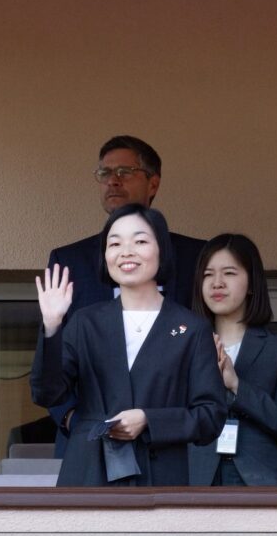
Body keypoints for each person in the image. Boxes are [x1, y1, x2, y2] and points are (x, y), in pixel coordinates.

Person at [31, 204, 226, 487]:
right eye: (115, 243)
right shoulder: (85, 322)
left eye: (140, 241)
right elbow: (47, 393)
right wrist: (51, 326)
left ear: (162, 250)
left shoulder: (191, 328)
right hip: (89, 473)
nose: (126, 251)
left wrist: (150, 420)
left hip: (160, 476)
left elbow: (211, 416)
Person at [46, 135, 205, 452]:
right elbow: (52, 362)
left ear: (153, 183)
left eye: (124, 172)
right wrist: (71, 419)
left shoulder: (196, 257)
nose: (112, 182)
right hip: (87, 439)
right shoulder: (70, 260)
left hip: (172, 442)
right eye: (105, 174)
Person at [190, 234, 277, 486]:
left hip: (258, 480)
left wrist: (237, 386)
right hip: (195, 479)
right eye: (208, 274)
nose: (217, 283)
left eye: (229, 273)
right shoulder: (186, 345)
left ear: (252, 283)